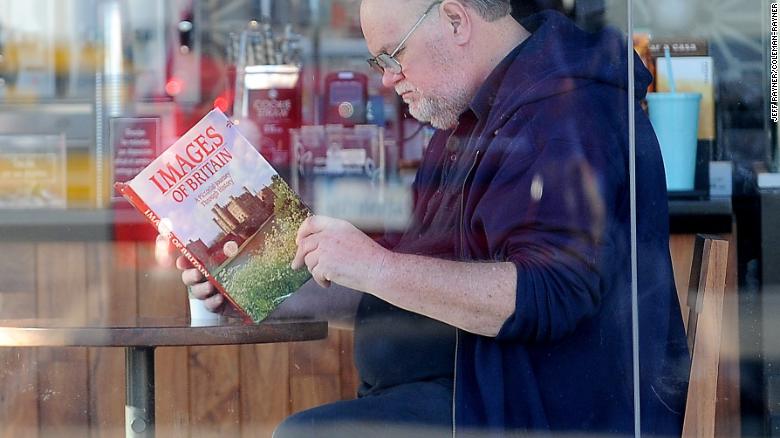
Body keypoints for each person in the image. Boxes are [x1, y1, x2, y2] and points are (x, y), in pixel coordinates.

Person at [178, 0, 690, 436]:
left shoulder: (563, 111)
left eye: (392, 55)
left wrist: (374, 265)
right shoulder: (469, 116)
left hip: (536, 412)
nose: (386, 78)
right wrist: (257, 285)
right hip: (473, 396)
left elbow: (551, 293)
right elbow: (418, 281)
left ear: (455, 20)